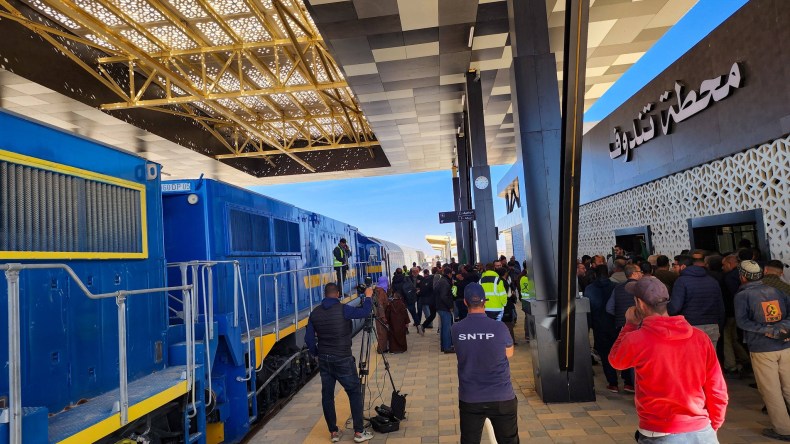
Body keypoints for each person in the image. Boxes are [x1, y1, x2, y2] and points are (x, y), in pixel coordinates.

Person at [609, 277, 728, 443]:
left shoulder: (636, 339)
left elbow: (616, 360)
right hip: (702, 431)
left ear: (640, 304)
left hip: (659, 431)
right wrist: (712, 426)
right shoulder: (700, 337)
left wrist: (629, 325)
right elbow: (717, 389)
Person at [305, 283, 375, 443]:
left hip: (324, 359)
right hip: (342, 358)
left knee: (327, 395)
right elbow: (365, 312)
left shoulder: (315, 313)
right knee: (354, 392)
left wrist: (317, 353)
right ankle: (359, 432)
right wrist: (368, 296)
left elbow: (309, 339)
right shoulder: (344, 309)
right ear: (337, 294)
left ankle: (334, 432)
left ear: (325, 294)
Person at [451, 283, 518, 444]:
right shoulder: (500, 327)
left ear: (465, 302)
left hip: (470, 397)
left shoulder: (456, 329)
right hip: (501, 396)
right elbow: (509, 353)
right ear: (485, 301)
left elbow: (463, 352)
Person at [734, 260, 790, 441]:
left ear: (742, 277)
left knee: (771, 390)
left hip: (762, 348)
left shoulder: (742, 295)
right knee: (789, 386)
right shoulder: (776, 290)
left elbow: (742, 322)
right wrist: (780, 328)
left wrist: (768, 329)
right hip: (785, 345)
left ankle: (783, 430)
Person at [669, 255, 725, 345]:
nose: (673, 269)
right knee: (710, 353)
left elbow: (675, 308)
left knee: (692, 353)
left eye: (675, 266)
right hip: (712, 326)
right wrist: (720, 328)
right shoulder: (712, 281)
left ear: (682, 267)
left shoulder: (681, 281)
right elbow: (720, 307)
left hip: (691, 327)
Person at [605, 263, 642, 393]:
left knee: (625, 353)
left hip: (622, 325)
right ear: (634, 273)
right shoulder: (642, 288)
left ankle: (628, 383)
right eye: (640, 271)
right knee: (638, 357)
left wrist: (621, 317)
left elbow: (609, 308)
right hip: (640, 326)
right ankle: (636, 384)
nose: (642, 274)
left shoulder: (617, 288)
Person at [585, 264, 619, 393]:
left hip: (598, 326)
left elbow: (588, 310)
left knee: (605, 355)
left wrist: (589, 327)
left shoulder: (589, 289)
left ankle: (613, 383)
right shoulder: (615, 287)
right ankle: (628, 381)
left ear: (595, 274)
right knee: (621, 351)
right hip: (615, 325)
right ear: (608, 273)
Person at [721, 254, 749, 375]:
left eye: (724, 265)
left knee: (727, 338)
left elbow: (734, 295)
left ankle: (730, 365)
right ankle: (745, 359)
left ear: (729, 264)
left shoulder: (729, 277)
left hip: (730, 312)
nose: (722, 267)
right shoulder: (744, 273)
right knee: (733, 338)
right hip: (740, 313)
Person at [434, 267, 455, 353]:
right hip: (444, 307)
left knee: (444, 328)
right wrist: (450, 306)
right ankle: (447, 347)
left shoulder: (442, 280)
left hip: (440, 306)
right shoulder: (445, 282)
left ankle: (444, 346)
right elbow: (444, 296)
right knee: (447, 328)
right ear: (449, 274)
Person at [387, 289, 410, 354]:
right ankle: (402, 349)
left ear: (394, 297)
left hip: (392, 323)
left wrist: (387, 322)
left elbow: (387, 314)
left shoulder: (390, 304)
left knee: (393, 336)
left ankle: (393, 350)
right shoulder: (402, 304)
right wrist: (407, 322)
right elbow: (405, 314)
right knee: (401, 336)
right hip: (401, 323)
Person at [373, 276, 390, 354]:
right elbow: (380, 304)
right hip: (380, 315)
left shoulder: (377, 289)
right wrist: (383, 316)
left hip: (378, 314)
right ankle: (381, 349)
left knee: (382, 332)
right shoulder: (381, 291)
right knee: (382, 332)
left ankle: (383, 348)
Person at [417, 269, 436, 334]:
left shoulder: (426, 279)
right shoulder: (436, 279)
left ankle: (423, 326)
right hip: (435, 300)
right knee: (438, 315)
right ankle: (424, 326)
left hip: (430, 300)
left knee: (432, 315)